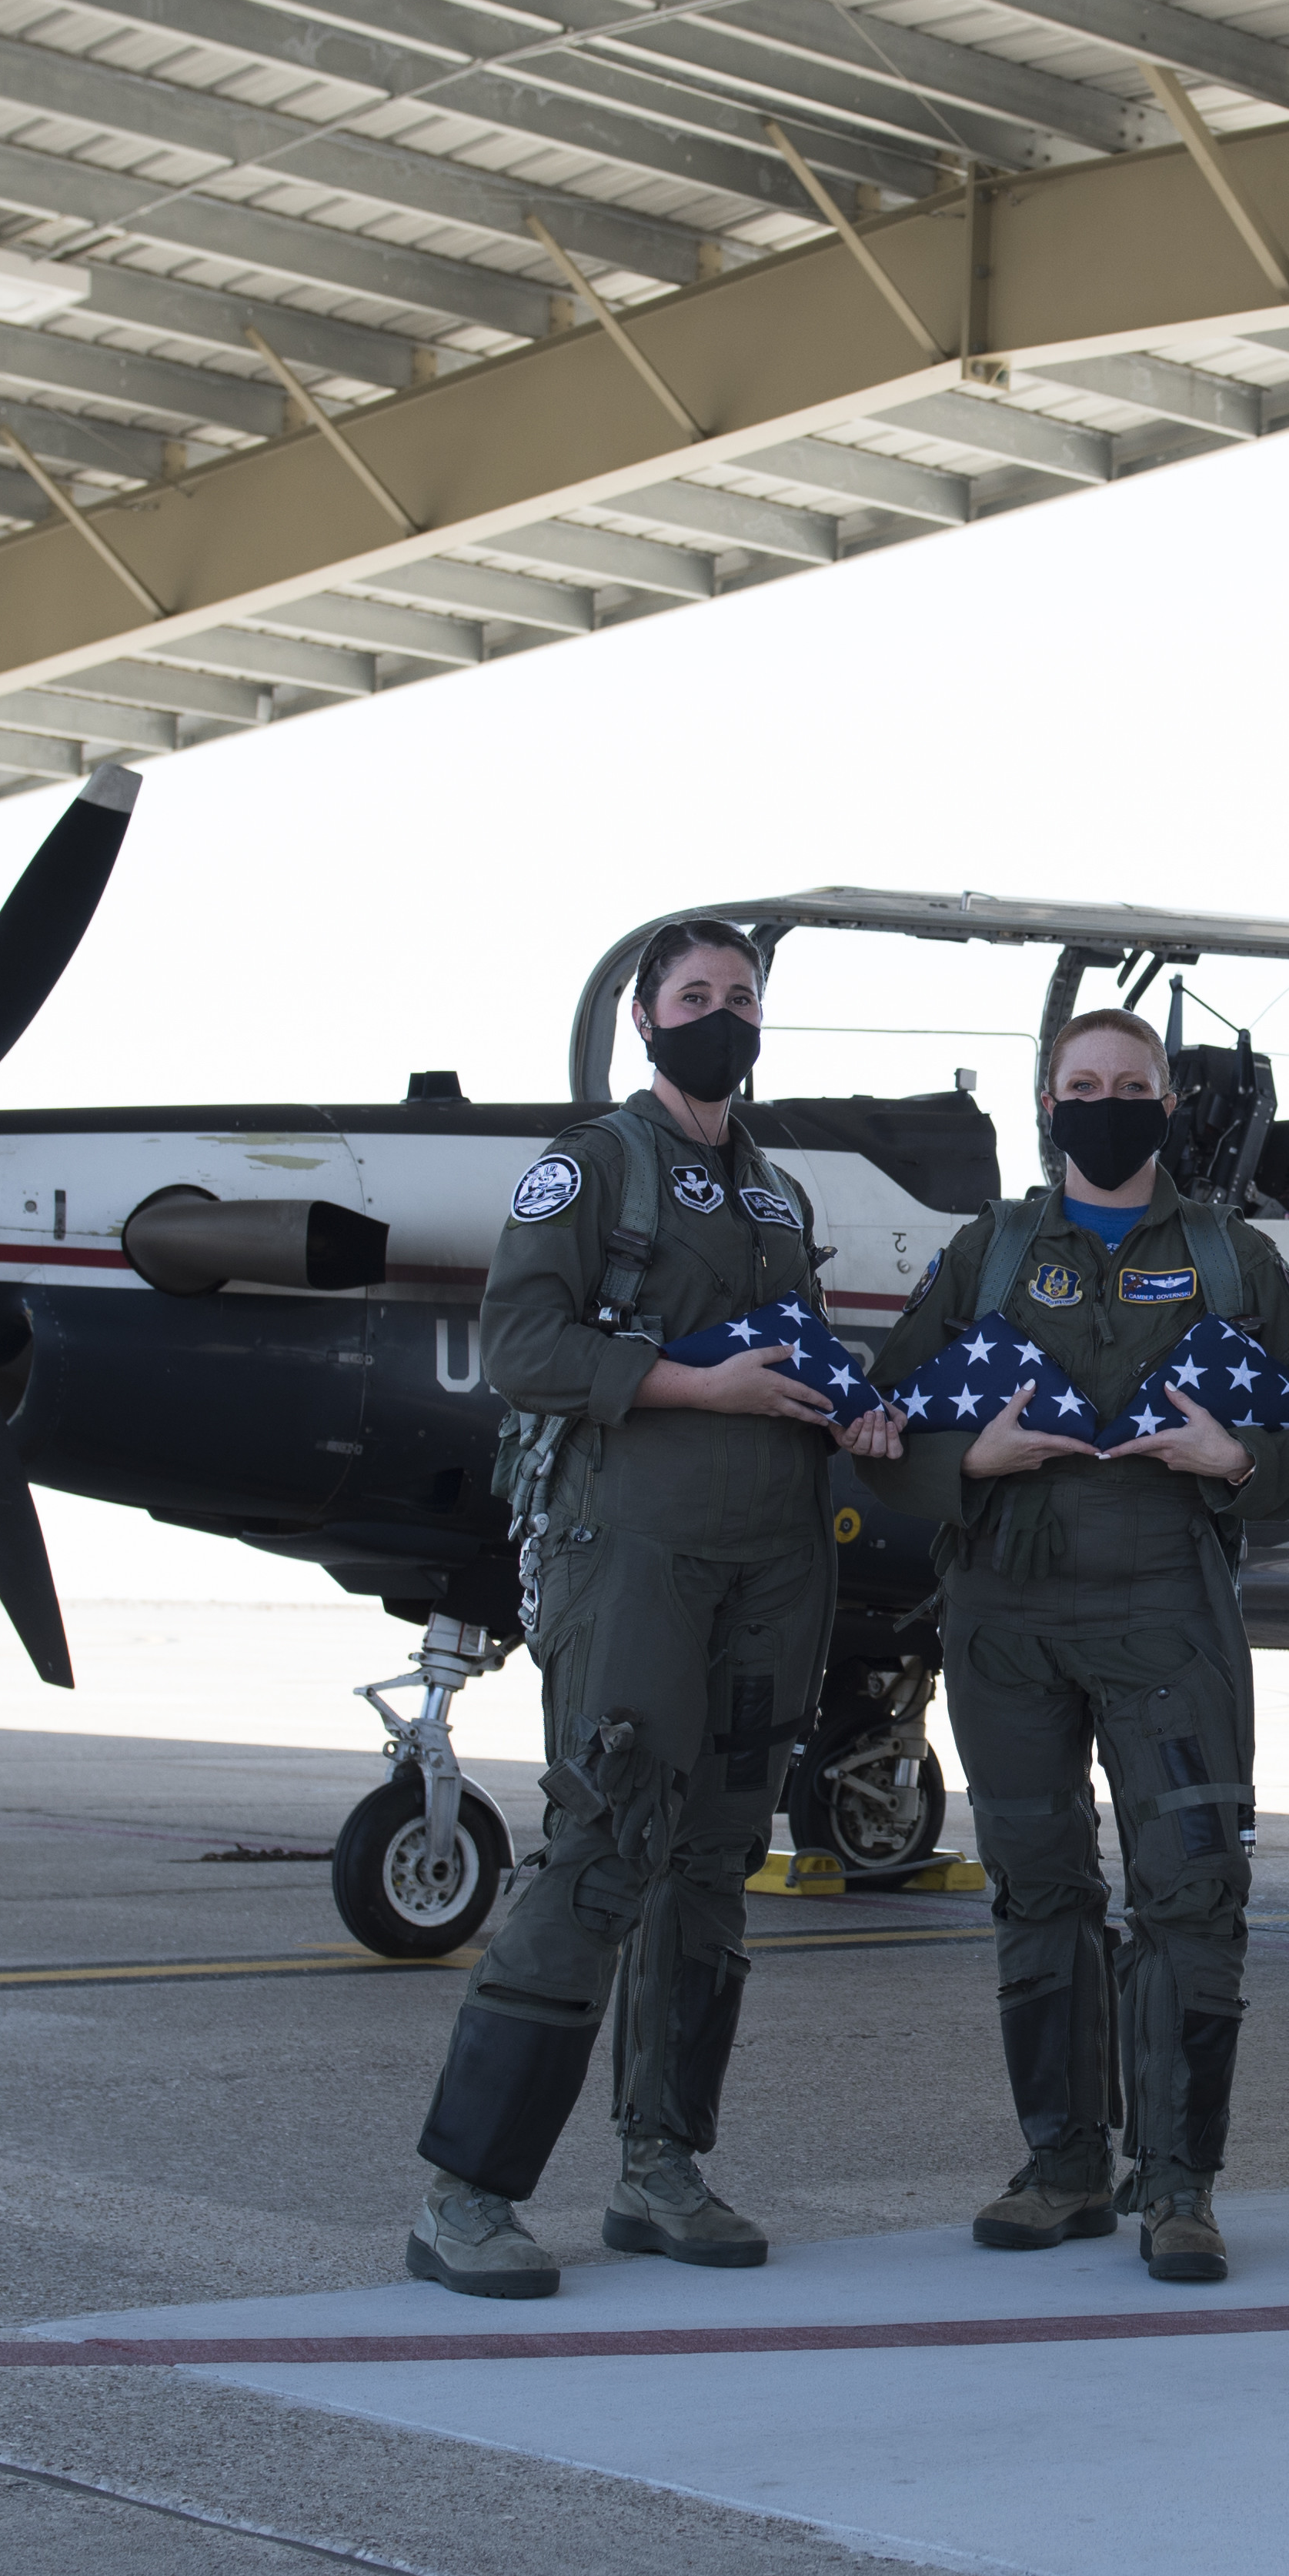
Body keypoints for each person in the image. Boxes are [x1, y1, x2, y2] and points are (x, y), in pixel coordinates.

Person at [404, 919, 911, 2299]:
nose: (722, 1017)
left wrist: (848, 1414)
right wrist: (699, 1388)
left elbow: (791, 1351)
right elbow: (522, 1347)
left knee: (712, 1863)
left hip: (772, 1561)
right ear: (646, 1018)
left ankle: (661, 2169)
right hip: (630, 1550)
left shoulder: (774, 1196)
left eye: (742, 999)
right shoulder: (592, 1169)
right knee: (604, 1842)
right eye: (696, 997)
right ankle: (468, 2194)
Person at [860, 1007, 1289, 2283]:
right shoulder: (990, 1250)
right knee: (1040, 1890)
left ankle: (1178, 2183)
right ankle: (1063, 2165)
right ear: (1048, 1101)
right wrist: (968, 1457)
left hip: (1166, 1610)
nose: (1105, 1103)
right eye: (1082, 1085)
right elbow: (878, 1419)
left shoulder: (1234, 1257)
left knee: (1190, 1893)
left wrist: (1235, 1458)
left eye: (1130, 1085)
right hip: (1006, 1615)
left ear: (1168, 1103)